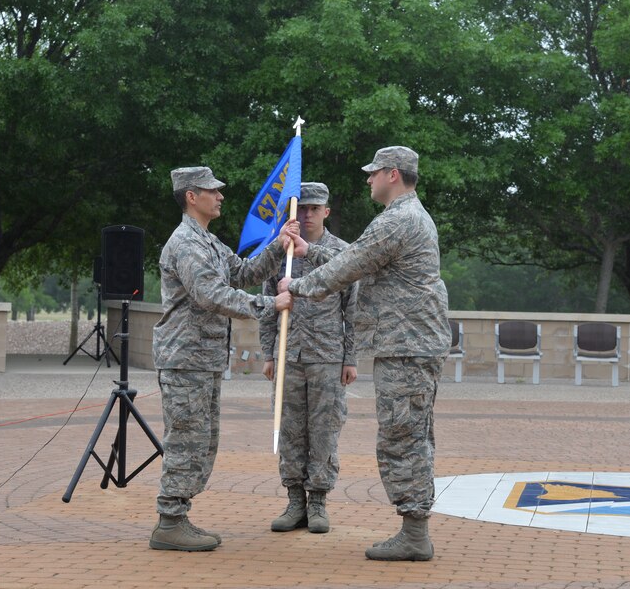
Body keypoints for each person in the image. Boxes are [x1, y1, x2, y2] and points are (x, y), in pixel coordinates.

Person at [278, 147, 451, 561]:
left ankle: (413, 534)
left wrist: (296, 287)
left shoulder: (399, 219)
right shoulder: (408, 217)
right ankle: (413, 528)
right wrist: (310, 252)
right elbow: (358, 255)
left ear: (392, 174)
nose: (368, 180)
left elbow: (351, 264)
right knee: (410, 435)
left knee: (401, 438)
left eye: (373, 174)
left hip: (407, 347)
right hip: (409, 345)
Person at [150, 166, 299, 552]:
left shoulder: (208, 243)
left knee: (202, 441)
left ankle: (178, 515)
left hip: (202, 358)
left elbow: (243, 272)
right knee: (186, 439)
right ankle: (169, 522)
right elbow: (212, 295)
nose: (220, 196)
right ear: (190, 196)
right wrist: (270, 304)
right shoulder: (185, 244)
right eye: (211, 191)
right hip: (185, 358)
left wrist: (278, 243)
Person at [260, 182, 358, 534]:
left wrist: (351, 358)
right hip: (288, 353)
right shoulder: (281, 251)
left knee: (324, 430)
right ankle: (294, 502)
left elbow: (354, 310)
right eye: (301, 208)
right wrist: (268, 353)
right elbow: (268, 307)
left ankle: (318, 502)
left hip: (327, 355)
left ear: (327, 212)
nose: (307, 214)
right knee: (289, 431)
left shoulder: (343, 253)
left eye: (315, 208)